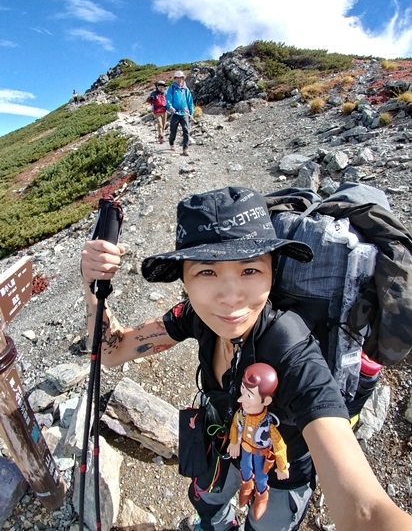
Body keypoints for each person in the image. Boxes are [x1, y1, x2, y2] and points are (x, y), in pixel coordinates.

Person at [80, 186, 412, 531]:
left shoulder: (291, 348)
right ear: (184, 281)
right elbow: (113, 350)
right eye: (207, 272)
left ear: (271, 270)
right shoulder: (193, 315)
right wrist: (92, 289)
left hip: (282, 471)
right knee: (206, 504)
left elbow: (365, 511)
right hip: (226, 443)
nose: (231, 299)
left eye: (250, 270)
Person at [228, 363, 289, 521]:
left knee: (261, 476)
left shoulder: (268, 423)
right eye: (243, 390)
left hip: (260, 452)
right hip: (245, 448)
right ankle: (247, 486)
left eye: (249, 395)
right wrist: (234, 442)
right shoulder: (242, 413)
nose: (241, 399)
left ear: (266, 400)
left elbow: (280, 445)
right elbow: (235, 425)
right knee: (245, 468)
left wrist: (282, 467)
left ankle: (261, 495)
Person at [165, 70, 194, 156]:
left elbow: (190, 102)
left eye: (180, 78)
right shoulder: (172, 88)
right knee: (173, 130)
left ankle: (185, 149)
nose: (179, 80)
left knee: (186, 130)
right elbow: (168, 99)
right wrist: (170, 107)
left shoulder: (186, 90)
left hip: (184, 113)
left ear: (183, 78)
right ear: (175, 79)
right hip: (175, 113)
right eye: (177, 78)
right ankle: (171, 143)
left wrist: (191, 113)